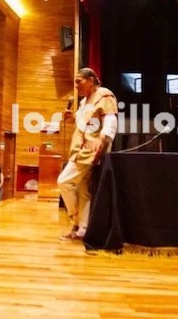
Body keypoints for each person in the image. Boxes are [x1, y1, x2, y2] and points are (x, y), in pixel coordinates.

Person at [57, 67, 117, 241]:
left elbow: (110, 120)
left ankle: (75, 219)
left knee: (63, 181)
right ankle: (83, 228)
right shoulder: (85, 102)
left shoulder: (104, 95)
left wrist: (102, 139)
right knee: (83, 190)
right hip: (79, 150)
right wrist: (72, 118)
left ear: (91, 80)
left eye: (79, 81)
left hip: (88, 151)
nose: (76, 86)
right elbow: (86, 123)